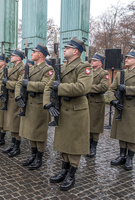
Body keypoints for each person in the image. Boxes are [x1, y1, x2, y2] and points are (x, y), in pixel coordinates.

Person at [43, 37, 93, 191]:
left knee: (74, 145)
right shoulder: (62, 67)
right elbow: (48, 86)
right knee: (63, 143)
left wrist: (60, 87)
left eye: (67, 48)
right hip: (62, 110)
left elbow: (82, 88)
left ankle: (71, 174)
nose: (64, 50)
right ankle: (64, 170)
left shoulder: (85, 67)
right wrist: (47, 102)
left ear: (75, 51)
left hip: (76, 111)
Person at [108, 49, 135, 171]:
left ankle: (130, 157)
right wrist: (113, 101)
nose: (126, 60)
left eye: (129, 58)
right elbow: (111, 89)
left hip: (134, 107)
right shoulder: (120, 74)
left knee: (133, 133)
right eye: (126, 58)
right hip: (121, 105)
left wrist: (126, 89)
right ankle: (122, 155)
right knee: (122, 131)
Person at [15, 43, 53, 170]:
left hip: (39, 105)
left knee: (39, 133)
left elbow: (45, 85)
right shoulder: (31, 69)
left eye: (34, 52)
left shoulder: (48, 70)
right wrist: (18, 95)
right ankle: (33, 155)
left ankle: (39, 157)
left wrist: (29, 84)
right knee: (31, 131)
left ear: (40, 54)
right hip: (29, 104)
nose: (31, 54)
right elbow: (20, 82)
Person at [0, 49, 25, 159]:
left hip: (16, 98)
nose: (11, 57)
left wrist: (8, 83)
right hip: (9, 99)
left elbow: (20, 84)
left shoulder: (23, 68)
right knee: (11, 123)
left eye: (13, 55)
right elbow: (3, 82)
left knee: (16, 124)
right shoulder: (11, 68)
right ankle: (12, 143)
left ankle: (17, 146)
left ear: (19, 58)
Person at [86, 53, 110, 157]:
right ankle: (87, 145)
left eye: (94, 60)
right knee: (87, 124)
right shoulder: (88, 72)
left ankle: (93, 147)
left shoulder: (104, 73)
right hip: (87, 101)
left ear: (100, 63)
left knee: (95, 125)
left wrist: (87, 88)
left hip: (96, 102)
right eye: (91, 60)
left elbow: (104, 87)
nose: (92, 62)